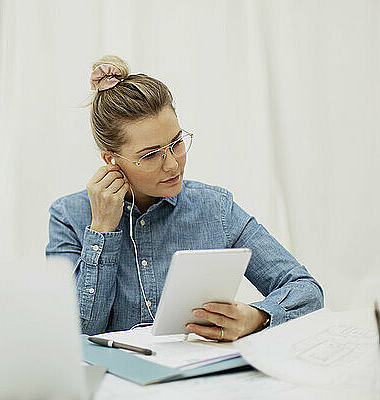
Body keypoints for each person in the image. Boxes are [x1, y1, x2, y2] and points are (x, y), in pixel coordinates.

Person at [45, 55, 323, 340]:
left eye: (176, 143)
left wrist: (257, 317)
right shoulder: (68, 217)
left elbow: (306, 290)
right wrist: (102, 230)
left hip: (197, 378)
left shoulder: (216, 208)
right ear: (112, 160)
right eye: (151, 155)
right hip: (114, 382)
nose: (173, 164)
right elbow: (74, 333)